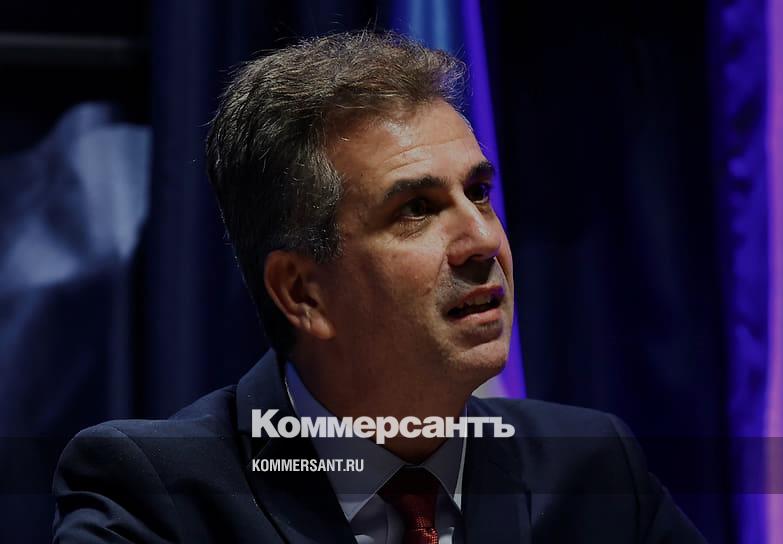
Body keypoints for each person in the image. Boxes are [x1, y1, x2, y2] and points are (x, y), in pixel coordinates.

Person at [52, 31, 705, 543]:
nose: (482, 240)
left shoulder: (592, 470)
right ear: (302, 292)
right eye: (416, 209)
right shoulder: (155, 499)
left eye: (478, 193)